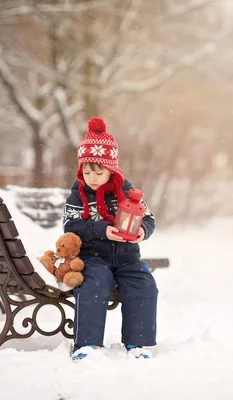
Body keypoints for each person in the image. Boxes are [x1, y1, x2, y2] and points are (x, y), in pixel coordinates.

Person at [62, 116, 158, 360]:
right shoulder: (77, 197)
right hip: (94, 257)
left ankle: (137, 344)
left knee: (144, 285)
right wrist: (99, 230)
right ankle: (87, 344)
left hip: (126, 257)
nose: (92, 177)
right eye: (86, 171)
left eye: (98, 171)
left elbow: (148, 218)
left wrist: (141, 232)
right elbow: (70, 226)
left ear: (111, 169)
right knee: (94, 284)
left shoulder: (128, 194)